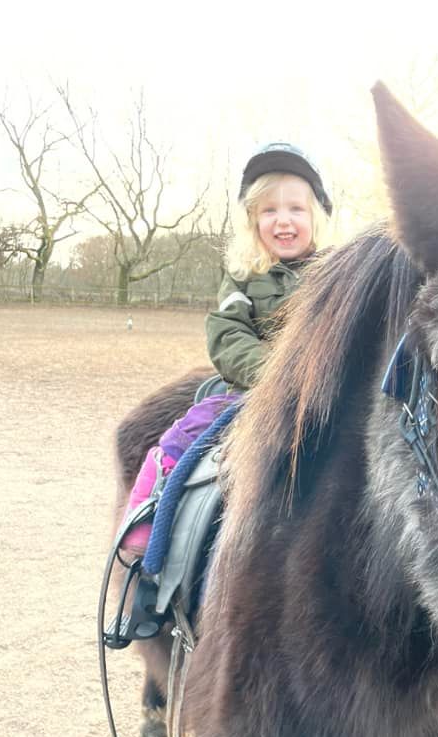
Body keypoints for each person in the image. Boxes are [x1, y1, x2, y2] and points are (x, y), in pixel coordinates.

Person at [120, 142, 332, 554]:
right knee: (189, 430)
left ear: (316, 217)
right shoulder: (243, 277)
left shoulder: (335, 274)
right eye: (269, 211)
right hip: (251, 388)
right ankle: (149, 505)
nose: (283, 221)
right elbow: (228, 333)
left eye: (295, 209)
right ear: (253, 221)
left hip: (324, 390)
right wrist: (276, 375)